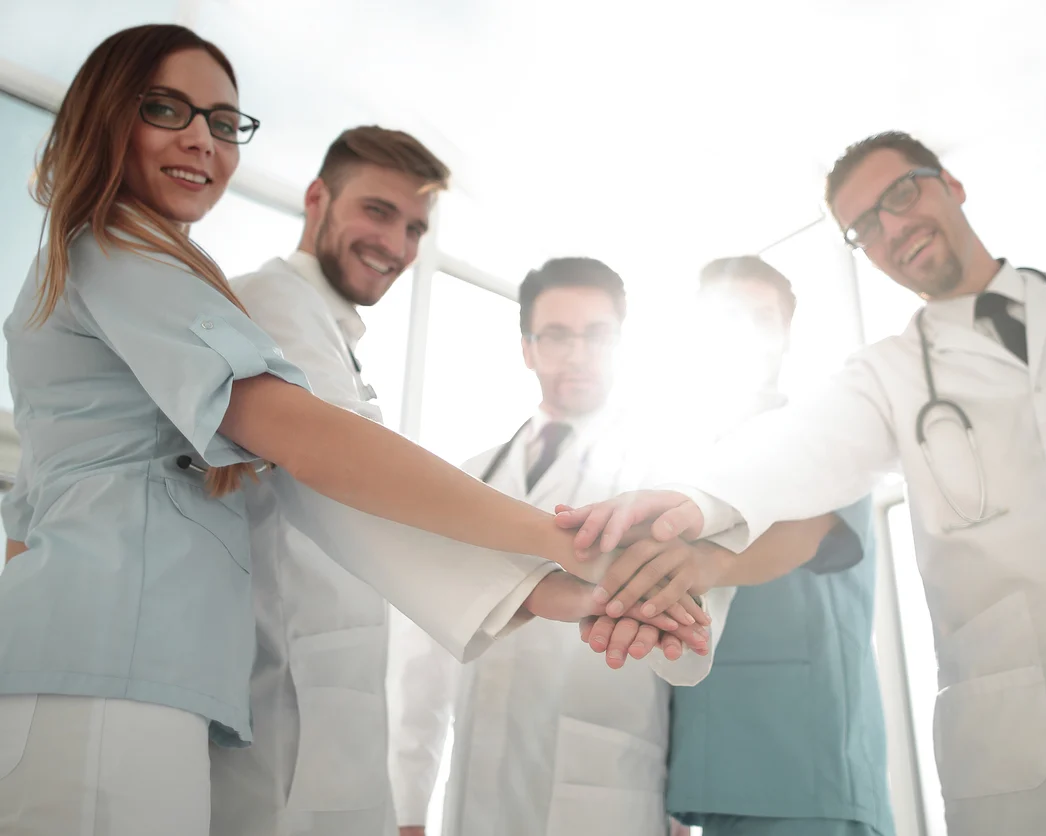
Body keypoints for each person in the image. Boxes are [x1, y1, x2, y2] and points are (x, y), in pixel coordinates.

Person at [0, 25, 702, 836]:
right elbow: (311, 446)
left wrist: (546, 585)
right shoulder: (133, 253)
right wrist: (556, 544)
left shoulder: (146, 273)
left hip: (139, 670)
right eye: (166, 108)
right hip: (117, 668)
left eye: (225, 123)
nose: (202, 138)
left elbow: (39, 505)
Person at [558, 131, 1046, 836]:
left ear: (948, 183)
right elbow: (804, 449)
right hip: (1036, 762)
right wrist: (694, 504)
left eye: (901, 194)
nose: (891, 228)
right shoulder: (884, 375)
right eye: (865, 227)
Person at [389, 257, 732, 836]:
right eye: (556, 336)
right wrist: (408, 806)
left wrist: (685, 807)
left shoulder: (668, 473)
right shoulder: (471, 476)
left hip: (611, 788)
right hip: (477, 789)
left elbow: (699, 644)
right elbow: (423, 654)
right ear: (527, 348)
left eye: (597, 335)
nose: (577, 355)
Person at [208, 125, 450, 836]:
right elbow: (353, 465)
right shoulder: (272, 301)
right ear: (317, 198)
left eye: (415, 228)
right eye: (378, 212)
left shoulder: (329, 328)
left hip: (320, 699)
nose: (398, 246)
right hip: (275, 700)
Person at [659, 256, 893, 836]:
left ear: (786, 332)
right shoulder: (688, 452)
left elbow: (804, 537)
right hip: (713, 772)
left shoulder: (824, 432)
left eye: (761, 317)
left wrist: (701, 564)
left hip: (806, 762)